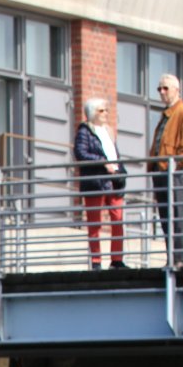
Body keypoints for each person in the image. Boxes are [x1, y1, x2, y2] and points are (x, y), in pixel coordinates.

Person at [147, 73, 183, 266]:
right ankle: (172, 257)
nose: (162, 92)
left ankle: (181, 258)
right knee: (166, 216)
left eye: (165, 88)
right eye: (159, 88)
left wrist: (176, 166)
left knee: (177, 213)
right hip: (161, 170)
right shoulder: (167, 114)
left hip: (172, 171)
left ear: (176, 90)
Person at [74, 98, 126, 270]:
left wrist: (121, 170)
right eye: (101, 110)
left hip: (114, 181)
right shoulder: (85, 131)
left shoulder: (108, 131)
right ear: (92, 113)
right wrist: (103, 162)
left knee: (118, 219)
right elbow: (80, 153)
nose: (105, 114)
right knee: (95, 223)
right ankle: (96, 261)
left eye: (106, 110)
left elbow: (115, 154)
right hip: (96, 181)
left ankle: (117, 259)